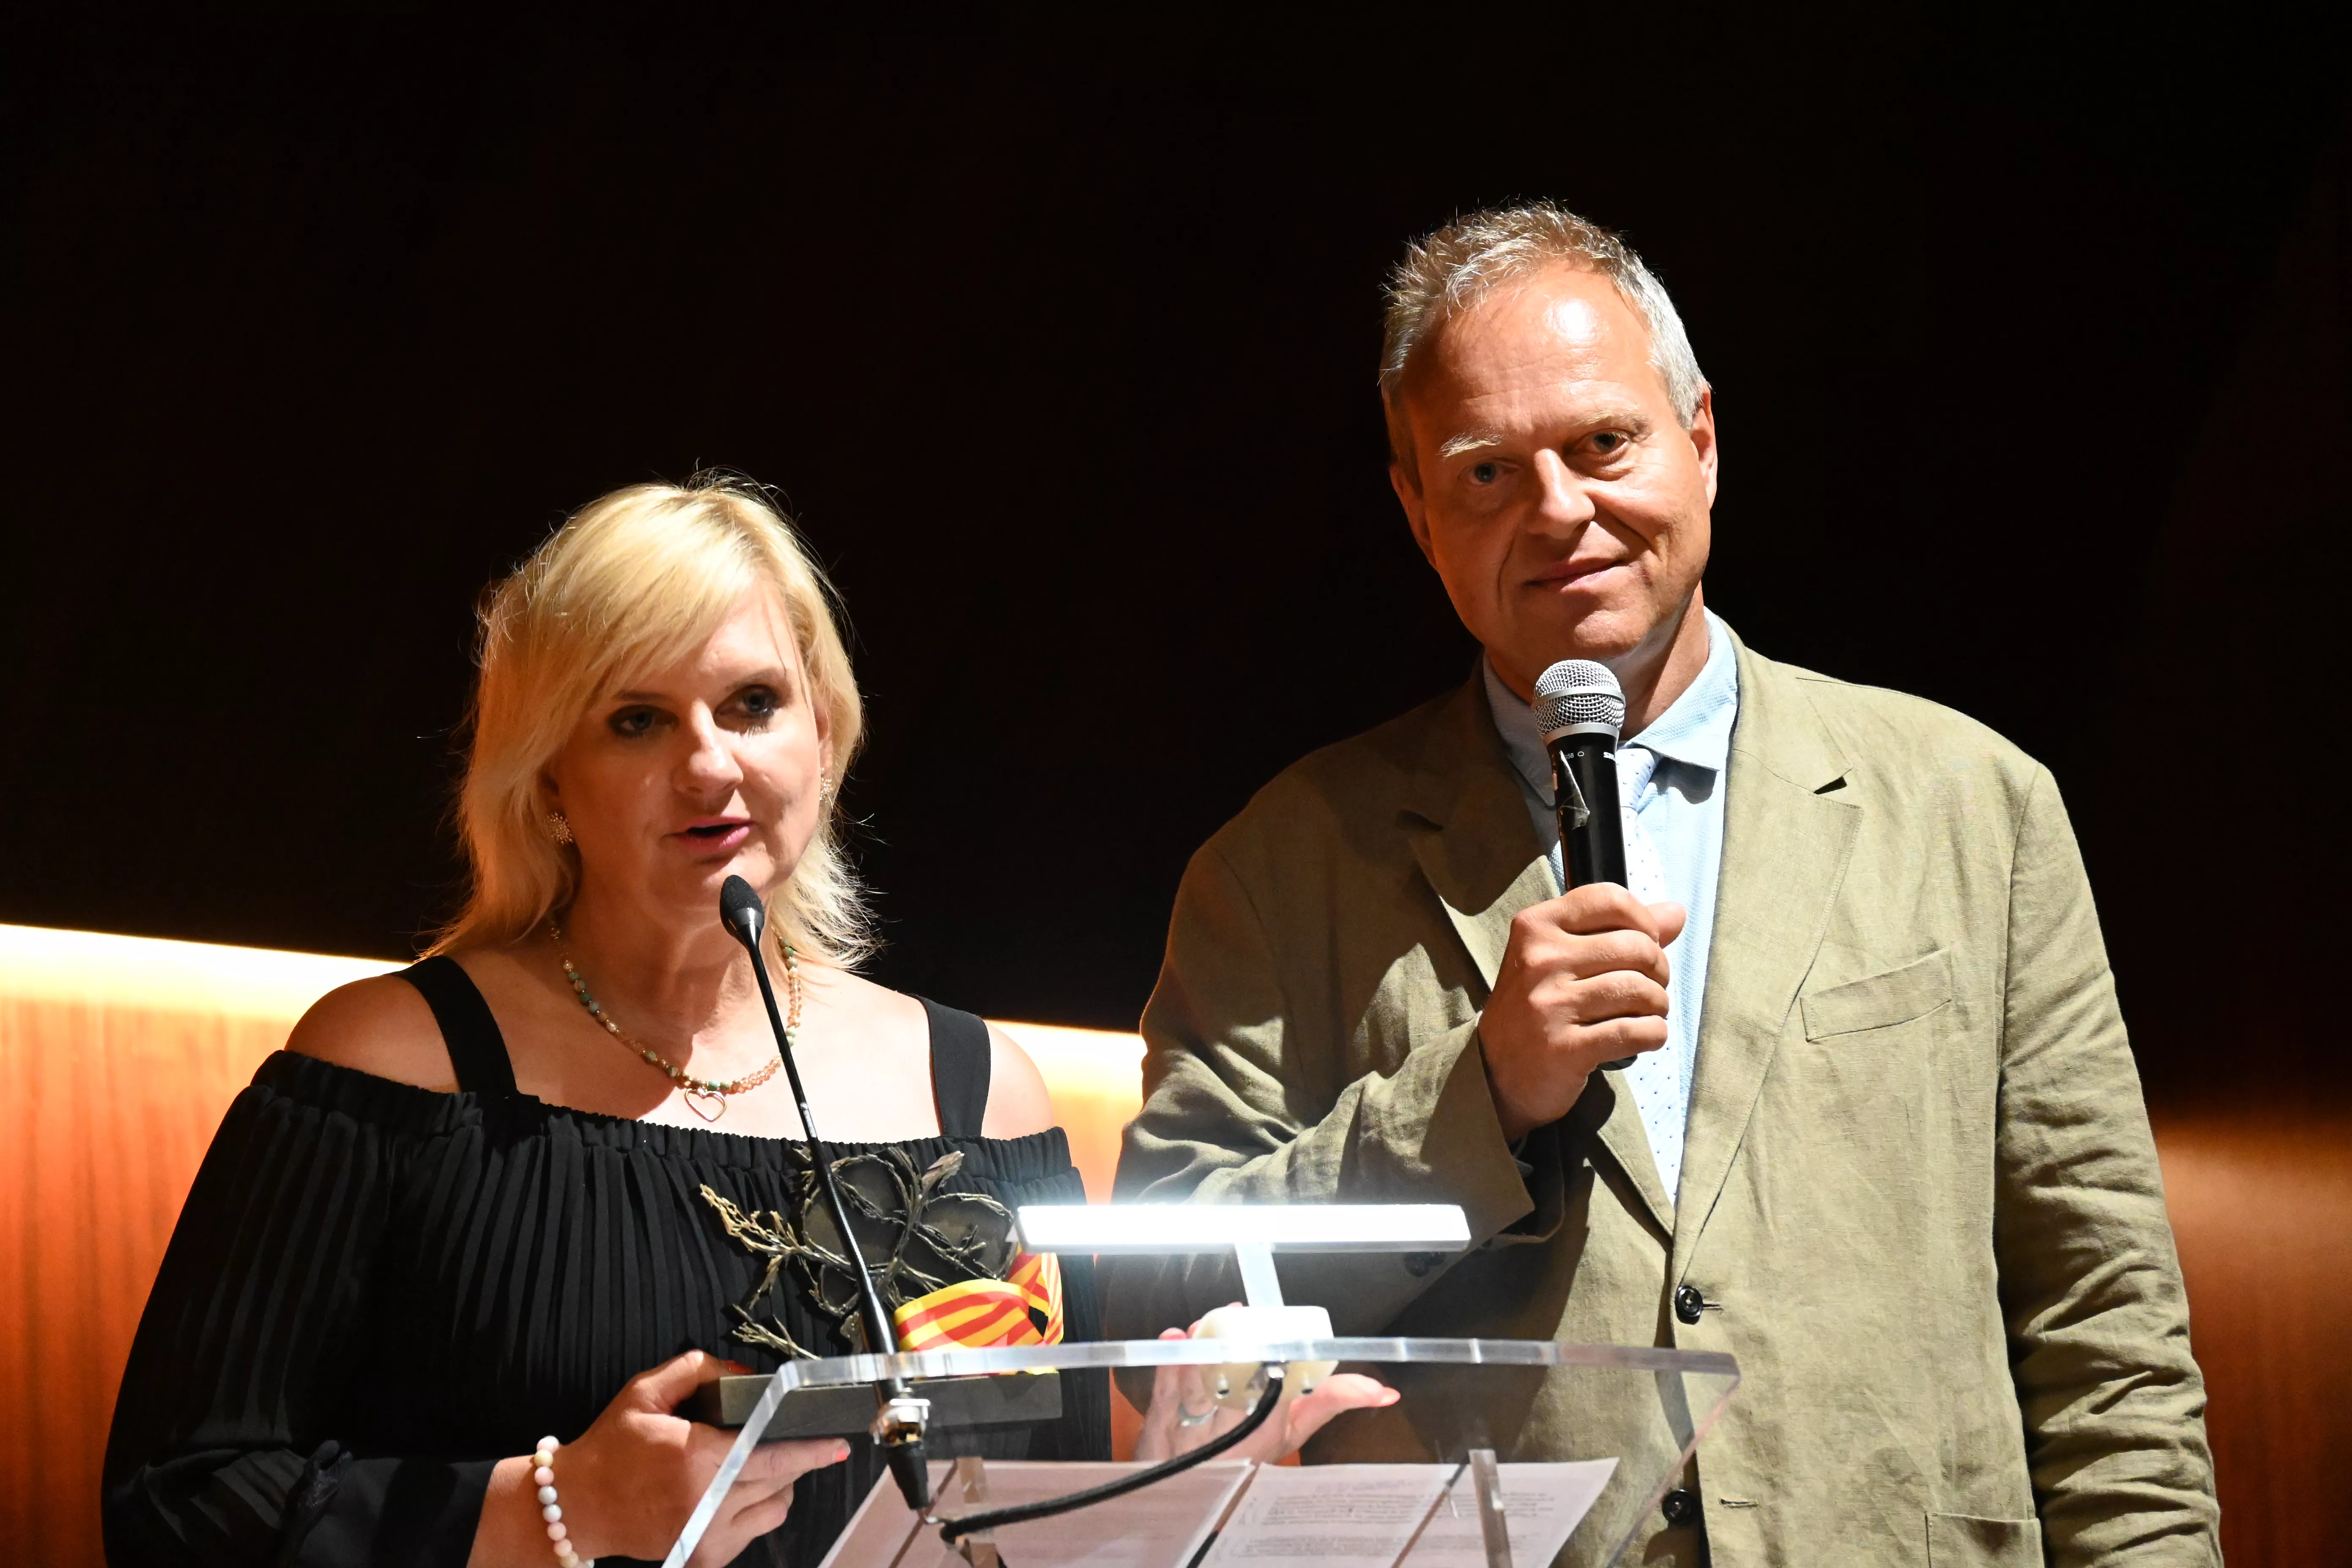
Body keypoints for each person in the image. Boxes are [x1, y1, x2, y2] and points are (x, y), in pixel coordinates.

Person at [1105, 204, 2221, 1566]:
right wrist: (1480, 1096)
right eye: (1485, 473)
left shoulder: (1971, 806)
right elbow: (1154, 1302)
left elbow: (2107, 1334)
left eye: (1602, 444)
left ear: (1700, 441)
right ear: (1416, 514)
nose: (1559, 510)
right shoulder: (1281, 867)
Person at [103, 476, 1107, 1568]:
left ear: (824, 736)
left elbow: (1063, 1508)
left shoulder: (980, 1094)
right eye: (638, 721)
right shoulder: (393, 1071)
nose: (710, 764)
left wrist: (1211, 1439)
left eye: (754, 705)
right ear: (547, 786)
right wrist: (555, 1510)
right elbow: (176, 1501)